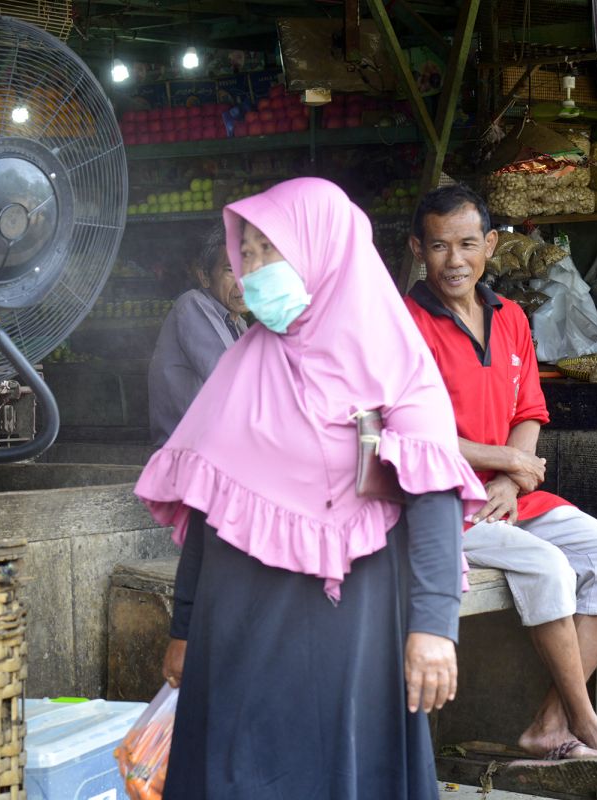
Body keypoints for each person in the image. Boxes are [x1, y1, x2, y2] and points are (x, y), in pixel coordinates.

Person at [134, 178, 488, 799]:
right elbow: (208, 500)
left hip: (349, 628)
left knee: (336, 770)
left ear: (325, 249)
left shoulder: (395, 362)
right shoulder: (244, 364)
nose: (254, 270)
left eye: (272, 250)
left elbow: (432, 499)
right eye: (248, 253)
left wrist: (434, 628)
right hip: (235, 629)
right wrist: (185, 628)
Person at [404, 185, 597, 800]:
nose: (454, 260)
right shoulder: (404, 326)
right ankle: (590, 727)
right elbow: (413, 433)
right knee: (549, 566)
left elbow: (529, 408)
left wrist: (512, 477)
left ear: (491, 245)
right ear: (418, 249)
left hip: (509, 495)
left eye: (468, 243)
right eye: (438, 246)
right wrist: (512, 464)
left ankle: (549, 724)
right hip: (440, 504)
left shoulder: (511, 317)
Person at [146, 225, 248, 445]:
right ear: (204, 276)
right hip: (190, 455)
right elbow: (233, 384)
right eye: (231, 270)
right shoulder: (191, 305)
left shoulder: (237, 323)